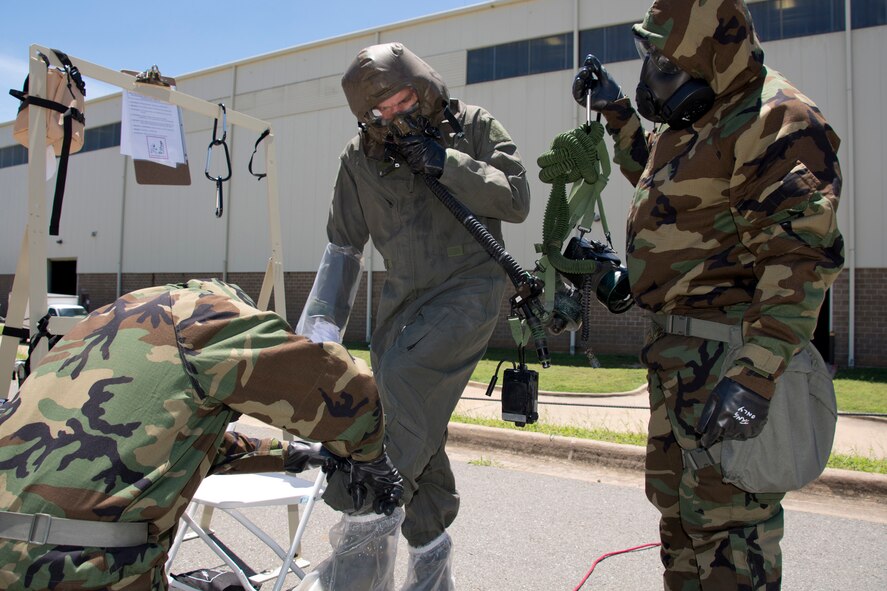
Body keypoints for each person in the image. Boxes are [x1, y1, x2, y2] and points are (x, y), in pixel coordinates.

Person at [570, 1, 843, 589]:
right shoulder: (696, 122)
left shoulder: (776, 119)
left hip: (730, 365)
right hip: (677, 364)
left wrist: (756, 374)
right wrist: (618, 112)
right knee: (682, 531)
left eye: (665, 63)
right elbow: (672, 195)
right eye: (649, 59)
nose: (653, 76)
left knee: (731, 539)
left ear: (714, 58)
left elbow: (800, 259)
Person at [295, 42, 530, 590]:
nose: (394, 118)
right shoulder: (359, 159)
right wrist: (319, 335)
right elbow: (343, 249)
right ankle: (431, 567)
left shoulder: (472, 126)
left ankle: (355, 552)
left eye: (402, 103)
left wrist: (449, 163)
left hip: (467, 293)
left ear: (422, 87)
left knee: (399, 397)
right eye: (379, 113)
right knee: (418, 429)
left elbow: (516, 198)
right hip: (402, 310)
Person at [0, 278, 403, 590]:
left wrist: (295, 454)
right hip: (81, 565)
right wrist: (373, 462)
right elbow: (349, 394)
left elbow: (180, 445)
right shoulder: (209, 318)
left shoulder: (105, 319)